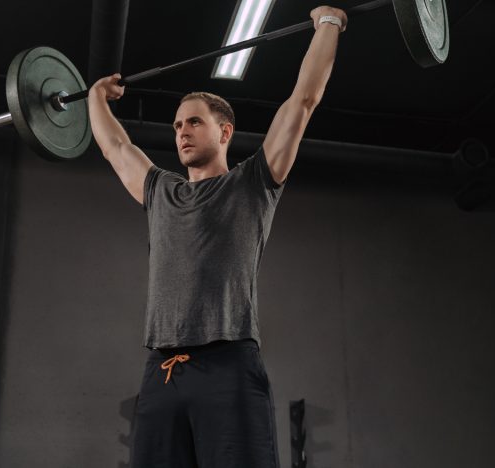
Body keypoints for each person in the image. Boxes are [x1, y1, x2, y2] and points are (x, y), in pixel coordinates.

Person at [87, 5, 347, 467]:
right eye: (177, 125)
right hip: (161, 372)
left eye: (193, 122)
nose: (181, 132)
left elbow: (303, 102)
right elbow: (115, 147)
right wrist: (95, 98)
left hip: (228, 364)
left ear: (224, 131)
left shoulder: (252, 183)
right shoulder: (161, 191)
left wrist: (329, 24)